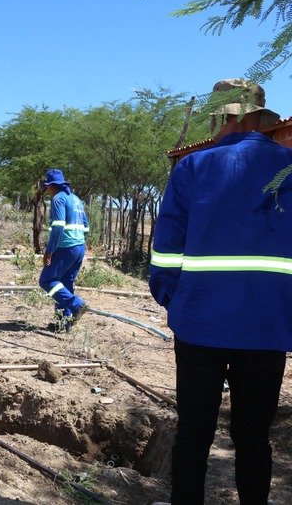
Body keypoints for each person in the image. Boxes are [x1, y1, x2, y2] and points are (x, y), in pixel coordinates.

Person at [149, 78, 288, 505]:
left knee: (193, 435)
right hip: (267, 329)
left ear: (222, 115)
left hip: (200, 325)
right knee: (254, 439)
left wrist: (176, 301)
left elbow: (166, 253)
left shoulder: (193, 167)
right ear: (259, 116)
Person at [38, 169, 90, 332]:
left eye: (47, 187)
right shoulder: (75, 199)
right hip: (79, 247)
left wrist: (49, 250)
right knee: (65, 284)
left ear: (52, 186)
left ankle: (77, 305)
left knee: (47, 280)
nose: (47, 190)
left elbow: (58, 227)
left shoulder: (58, 199)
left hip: (65, 247)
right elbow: (86, 227)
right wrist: (79, 242)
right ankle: (63, 325)